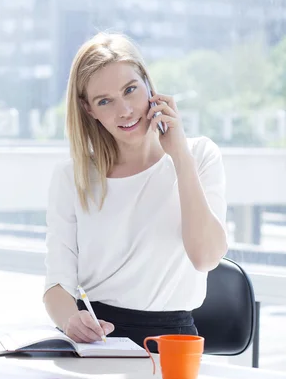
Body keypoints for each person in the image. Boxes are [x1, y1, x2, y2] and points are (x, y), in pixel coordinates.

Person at [43, 32, 228, 352]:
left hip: (173, 340)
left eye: (131, 90)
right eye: (105, 101)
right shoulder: (72, 176)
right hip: (97, 338)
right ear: (89, 110)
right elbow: (57, 286)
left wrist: (180, 156)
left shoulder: (199, 155)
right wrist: (70, 320)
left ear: (149, 86)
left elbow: (206, 257)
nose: (125, 110)